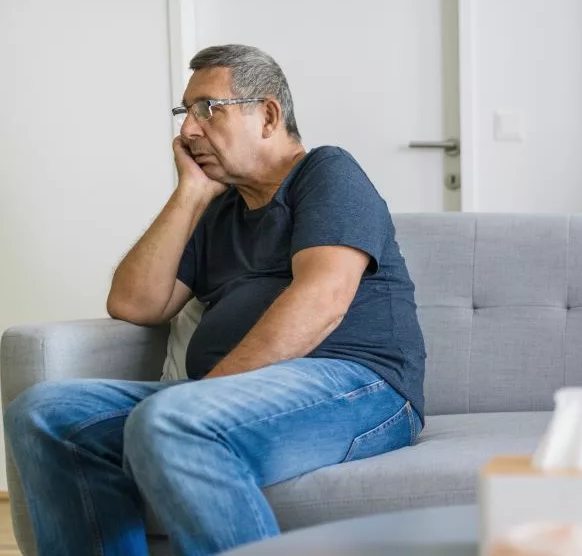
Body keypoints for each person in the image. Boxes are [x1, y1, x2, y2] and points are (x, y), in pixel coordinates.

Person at [4, 44, 426, 556]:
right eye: (185, 113)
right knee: (45, 411)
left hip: (360, 387)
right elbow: (134, 304)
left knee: (174, 420)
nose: (187, 130)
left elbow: (323, 299)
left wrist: (198, 397)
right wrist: (190, 193)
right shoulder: (217, 212)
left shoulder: (326, 173)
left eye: (207, 109)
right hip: (232, 399)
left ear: (268, 115)